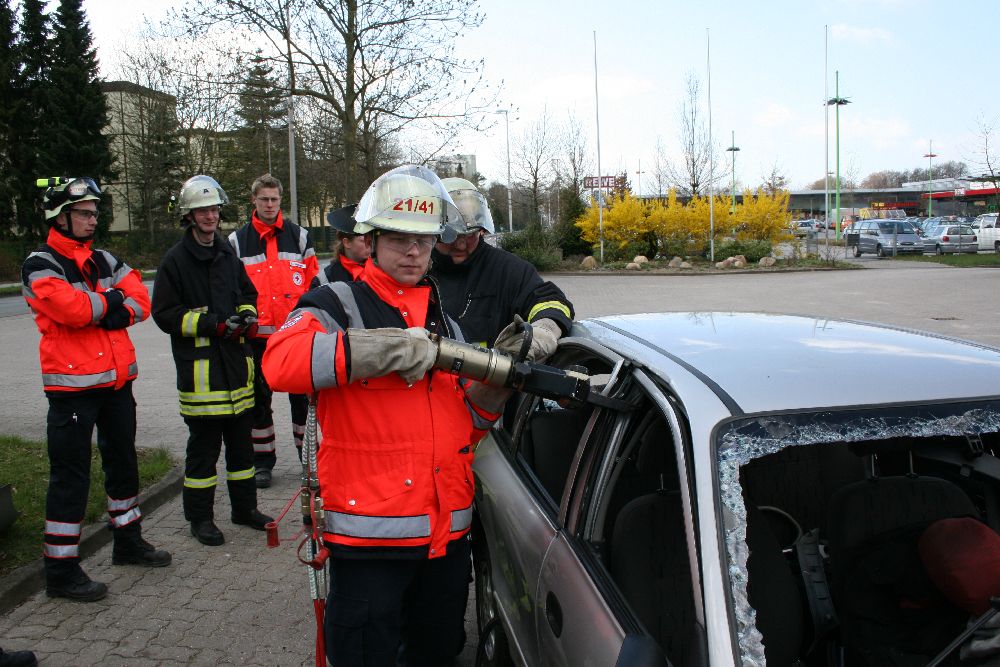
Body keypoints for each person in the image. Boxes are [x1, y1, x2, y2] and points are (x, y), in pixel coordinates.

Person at [262, 165, 514, 666]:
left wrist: (493, 391)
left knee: (436, 654)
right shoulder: (336, 304)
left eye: (424, 240)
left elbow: (466, 427)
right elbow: (280, 362)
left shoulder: (447, 321)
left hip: (444, 540)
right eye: (399, 238)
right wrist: (382, 350)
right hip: (369, 542)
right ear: (371, 240)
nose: (413, 251)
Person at [22, 177, 171, 602]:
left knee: (123, 464)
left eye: (94, 213)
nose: (93, 220)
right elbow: (71, 309)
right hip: (72, 390)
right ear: (60, 216)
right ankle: (61, 571)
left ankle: (128, 542)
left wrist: (105, 306)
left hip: (117, 383)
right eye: (85, 213)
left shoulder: (104, 259)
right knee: (71, 477)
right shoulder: (40, 263)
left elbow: (141, 299)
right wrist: (113, 303)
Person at [152, 175, 273, 546]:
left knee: (242, 452)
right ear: (189, 216)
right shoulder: (175, 261)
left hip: (237, 371)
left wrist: (247, 316)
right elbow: (165, 314)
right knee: (203, 457)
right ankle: (200, 519)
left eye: (214, 209)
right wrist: (213, 325)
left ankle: (245, 510)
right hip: (203, 378)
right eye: (202, 210)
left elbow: (248, 293)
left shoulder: (226, 254)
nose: (210, 216)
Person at [227, 174, 319, 488]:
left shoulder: (300, 237)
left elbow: (314, 285)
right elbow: (232, 288)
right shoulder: (237, 241)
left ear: (281, 200)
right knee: (258, 402)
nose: (269, 205)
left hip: (294, 337)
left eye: (274, 199)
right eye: (264, 199)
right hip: (256, 339)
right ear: (253, 201)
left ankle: (309, 460)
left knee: (302, 402)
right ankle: (262, 462)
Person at [432, 177, 574, 359]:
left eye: (470, 235)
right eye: (452, 236)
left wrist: (543, 330)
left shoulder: (508, 270)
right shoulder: (416, 271)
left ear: (481, 229)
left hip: (489, 376)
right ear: (434, 232)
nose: (461, 245)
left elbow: (551, 301)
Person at [322, 203, 370, 283]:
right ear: (347, 243)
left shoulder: (382, 269)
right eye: (363, 240)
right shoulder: (326, 277)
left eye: (371, 240)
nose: (370, 245)